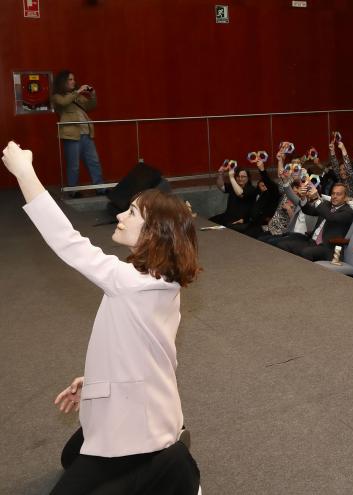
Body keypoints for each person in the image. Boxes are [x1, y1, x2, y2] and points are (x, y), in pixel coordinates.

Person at [1, 141, 200, 493]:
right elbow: (140, 349)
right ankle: (168, 443)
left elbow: (68, 242)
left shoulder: (132, 284)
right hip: (141, 399)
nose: (121, 215)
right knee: (71, 457)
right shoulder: (158, 280)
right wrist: (93, 380)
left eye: (133, 213)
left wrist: (24, 172)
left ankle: (172, 462)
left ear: (154, 233)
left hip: (139, 423)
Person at [52, 70, 105, 193]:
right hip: (71, 135)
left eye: (73, 79)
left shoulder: (77, 96)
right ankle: (73, 191)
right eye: (70, 79)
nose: (73, 82)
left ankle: (100, 188)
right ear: (63, 82)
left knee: (94, 162)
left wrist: (93, 94)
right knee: (73, 166)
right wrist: (78, 91)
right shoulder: (57, 96)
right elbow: (64, 102)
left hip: (86, 134)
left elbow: (90, 106)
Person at [276, 182, 353, 261]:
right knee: (282, 245)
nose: (334, 196)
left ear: (345, 197)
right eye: (333, 193)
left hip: (328, 248)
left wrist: (316, 199)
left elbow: (331, 217)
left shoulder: (348, 212)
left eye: (338, 194)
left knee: (306, 252)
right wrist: (303, 198)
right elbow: (309, 211)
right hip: (312, 242)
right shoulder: (327, 205)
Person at [209, 162, 257, 227]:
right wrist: (220, 174)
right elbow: (221, 186)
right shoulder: (233, 186)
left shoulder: (251, 189)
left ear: (248, 178)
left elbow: (240, 193)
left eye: (243, 177)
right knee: (210, 221)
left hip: (241, 220)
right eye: (238, 176)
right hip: (228, 216)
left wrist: (232, 178)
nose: (240, 179)